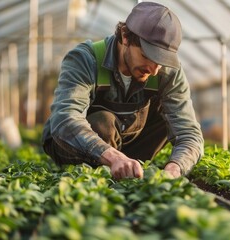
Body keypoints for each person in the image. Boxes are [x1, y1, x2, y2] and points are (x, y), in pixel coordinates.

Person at [42, 2, 204, 180]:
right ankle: (107, 173)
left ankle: (131, 170)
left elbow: (189, 133)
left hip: (129, 148)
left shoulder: (168, 72)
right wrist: (113, 157)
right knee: (104, 122)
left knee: (165, 113)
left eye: (161, 61)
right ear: (125, 36)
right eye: (147, 56)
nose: (154, 70)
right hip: (75, 148)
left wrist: (175, 168)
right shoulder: (86, 59)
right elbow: (65, 119)